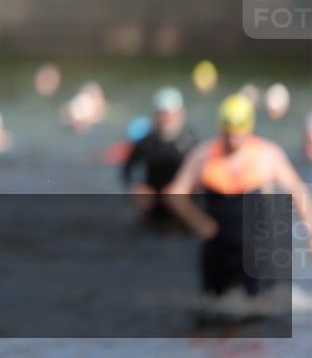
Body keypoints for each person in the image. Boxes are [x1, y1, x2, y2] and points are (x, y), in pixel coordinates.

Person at [163, 94, 312, 299]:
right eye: (228, 132)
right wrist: (197, 221)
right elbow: (175, 194)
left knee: (262, 309)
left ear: (248, 127)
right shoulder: (203, 155)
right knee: (215, 310)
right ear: (221, 128)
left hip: (257, 251)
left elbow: (298, 191)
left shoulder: (267, 154)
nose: (232, 139)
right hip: (218, 246)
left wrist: (309, 231)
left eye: (237, 132)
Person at [122, 87, 198, 227]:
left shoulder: (190, 143)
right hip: (153, 207)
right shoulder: (146, 142)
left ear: (180, 114)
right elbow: (127, 170)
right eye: (162, 114)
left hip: (182, 209)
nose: (167, 119)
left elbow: (202, 175)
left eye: (171, 114)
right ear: (156, 115)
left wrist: (183, 188)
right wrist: (137, 187)